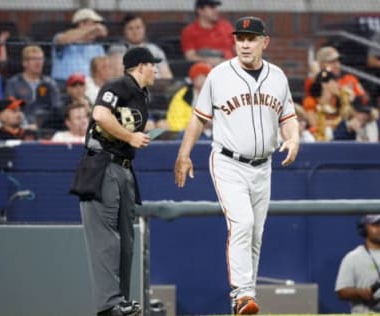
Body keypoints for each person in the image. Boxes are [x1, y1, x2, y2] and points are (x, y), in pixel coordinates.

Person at [174, 16, 299, 315]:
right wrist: (184, 154)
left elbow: (289, 117)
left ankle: (245, 298)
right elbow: (198, 117)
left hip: (263, 165)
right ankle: (242, 294)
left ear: (264, 42)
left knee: (256, 233)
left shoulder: (278, 76)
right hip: (229, 162)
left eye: (251, 38)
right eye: (240, 38)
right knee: (242, 224)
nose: (244, 43)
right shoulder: (219, 75)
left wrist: (293, 139)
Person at [74, 47, 161, 316]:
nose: (156, 69)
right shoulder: (118, 85)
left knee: (126, 239)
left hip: (124, 168)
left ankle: (121, 301)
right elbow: (100, 115)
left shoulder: (141, 95)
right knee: (106, 238)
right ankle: (109, 304)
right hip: (103, 165)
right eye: (152, 65)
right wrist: (130, 137)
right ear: (140, 66)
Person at [335, 215, 380, 313]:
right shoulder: (352, 258)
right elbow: (341, 291)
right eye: (375, 225)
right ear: (364, 230)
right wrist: (361, 293)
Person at [4, 45, 63, 129]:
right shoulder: (13, 83)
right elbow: (10, 108)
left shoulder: (50, 84)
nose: (38, 63)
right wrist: (25, 125)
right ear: (24, 63)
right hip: (21, 126)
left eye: (40, 59)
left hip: (46, 127)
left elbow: (57, 107)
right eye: (34, 59)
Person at [51, 8, 107, 85]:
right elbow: (63, 40)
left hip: (89, 85)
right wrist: (93, 28)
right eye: (94, 23)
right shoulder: (62, 38)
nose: (98, 27)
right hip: (64, 84)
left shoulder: (98, 47)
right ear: (82, 24)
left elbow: (102, 70)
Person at [181, 0, 235, 66]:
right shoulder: (189, 31)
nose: (215, 10)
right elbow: (190, 56)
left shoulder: (226, 26)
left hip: (230, 66)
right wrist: (208, 61)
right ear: (200, 10)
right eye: (211, 7)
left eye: (215, 7)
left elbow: (237, 47)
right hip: (207, 68)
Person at [121, 14, 173, 79]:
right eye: (130, 28)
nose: (135, 32)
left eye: (138, 27)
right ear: (124, 31)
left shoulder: (155, 50)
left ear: (144, 29)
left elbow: (167, 76)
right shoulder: (118, 50)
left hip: (156, 87)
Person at [166, 61, 211, 132]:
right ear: (193, 79)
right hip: (187, 132)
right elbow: (177, 118)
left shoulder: (214, 94)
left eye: (205, 77)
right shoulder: (184, 95)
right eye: (200, 77)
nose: (203, 80)